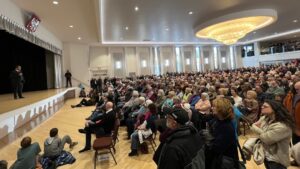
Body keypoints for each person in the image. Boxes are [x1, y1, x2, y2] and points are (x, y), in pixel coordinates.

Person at [248, 100, 293, 169]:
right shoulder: (266, 118)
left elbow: (266, 139)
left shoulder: (282, 126)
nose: (262, 107)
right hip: (267, 155)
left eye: (265, 106)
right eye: (262, 105)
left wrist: (254, 127)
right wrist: (255, 127)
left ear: (274, 109)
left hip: (277, 159)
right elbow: (256, 126)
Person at [205, 98, 239, 169]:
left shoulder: (227, 126)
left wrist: (208, 139)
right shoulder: (218, 120)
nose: (212, 108)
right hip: (219, 157)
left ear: (221, 109)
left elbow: (217, 148)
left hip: (224, 160)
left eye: (214, 106)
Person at [283, 80, 300, 145]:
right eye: (297, 89)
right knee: (293, 145)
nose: (297, 91)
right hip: (291, 125)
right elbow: (284, 107)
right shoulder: (290, 96)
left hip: (298, 126)